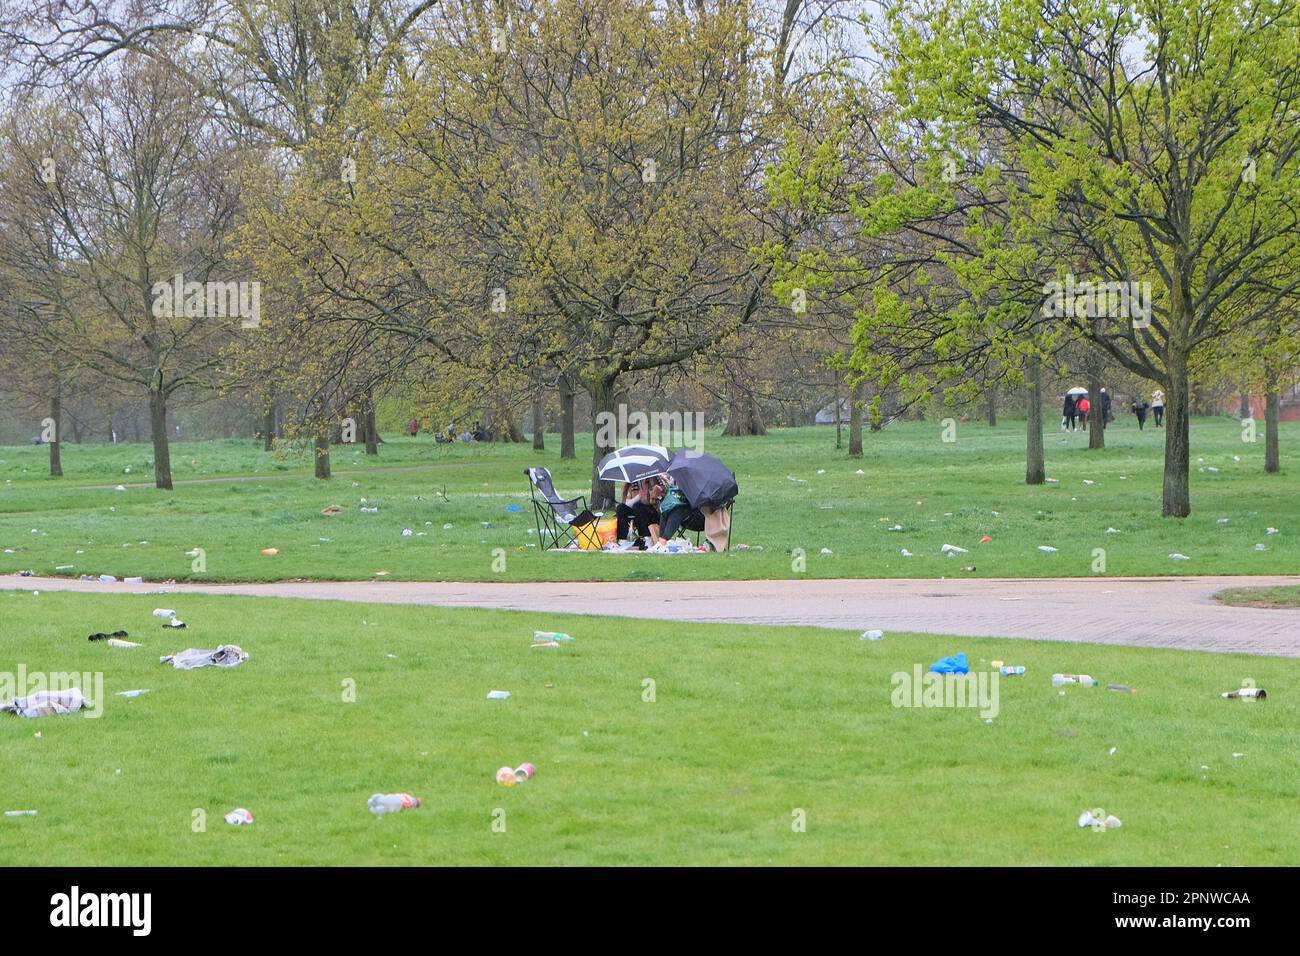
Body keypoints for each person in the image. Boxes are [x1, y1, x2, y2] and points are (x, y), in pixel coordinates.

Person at [615, 479, 664, 548]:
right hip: (638, 512)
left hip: (653, 512)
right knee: (620, 507)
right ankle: (623, 540)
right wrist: (625, 489)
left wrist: (648, 494)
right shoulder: (633, 481)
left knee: (638, 506)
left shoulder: (653, 478)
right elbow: (626, 503)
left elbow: (655, 501)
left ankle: (646, 538)